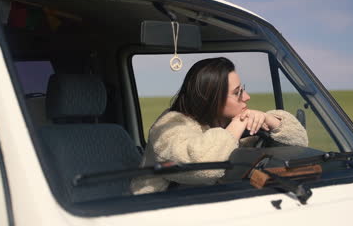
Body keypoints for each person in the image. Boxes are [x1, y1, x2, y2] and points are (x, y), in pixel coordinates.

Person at [131, 57, 308, 194]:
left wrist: (271, 121)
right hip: (153, 210)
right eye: (237, 92)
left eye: (243, 89)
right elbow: (202, 166)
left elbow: (299, 144)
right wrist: (240, 122)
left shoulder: (222, 121)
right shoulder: (168, 128)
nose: (247, 97)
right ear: (211, 99)